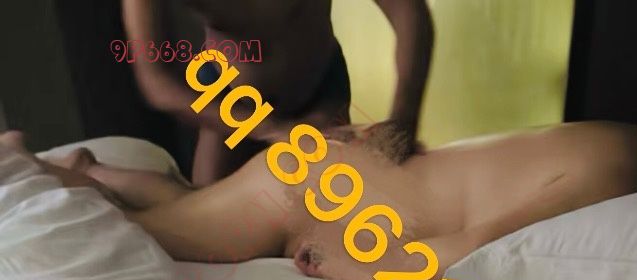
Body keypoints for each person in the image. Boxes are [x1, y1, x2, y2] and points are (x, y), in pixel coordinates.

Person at [4, 121, 637, 280]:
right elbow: (470, 250)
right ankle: (18, 166)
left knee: (193, 205)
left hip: (338, 171)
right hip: (318, 189)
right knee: (149, 233)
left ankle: (87, 167)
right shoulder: (622, 167)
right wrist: (347, 265)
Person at [122, 0, 434, 184]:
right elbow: (157, 83)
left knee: (355, 214)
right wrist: (271, 129)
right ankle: (102, 178)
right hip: (229, 103)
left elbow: (407, 9)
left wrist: (404, 119)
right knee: (201, 230)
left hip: (320, 92)